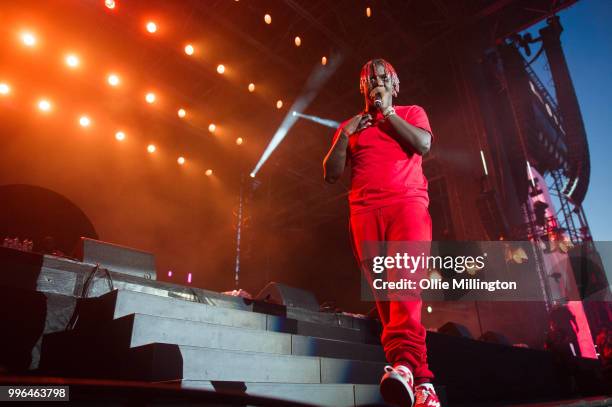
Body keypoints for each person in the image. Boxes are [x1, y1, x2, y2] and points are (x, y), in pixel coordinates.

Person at [323, 59, 438, 407]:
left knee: (405, 283)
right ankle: (423, 383)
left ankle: (402, 364)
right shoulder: (350, 126)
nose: (376, 83)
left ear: (395, 85)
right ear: (362, 88)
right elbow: (331, 173)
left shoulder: (411, 112)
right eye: (370, 81)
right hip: (364, 213)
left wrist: (388, 114)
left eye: (383, 80)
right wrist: (344, 134)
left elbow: (423, 145)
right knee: (388, 301)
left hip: (407, 204)